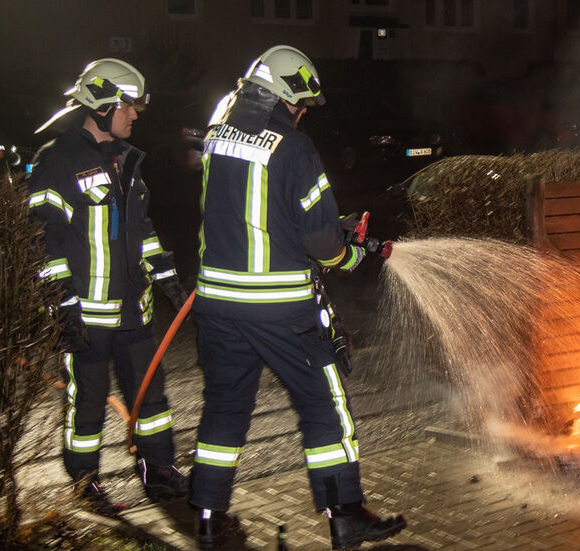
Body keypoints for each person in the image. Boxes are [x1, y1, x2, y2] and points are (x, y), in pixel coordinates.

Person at [189, 45, 406, 550]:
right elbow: (322, 243)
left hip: (217, 305)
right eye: (300, 102)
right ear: (282, 97)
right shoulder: (295, 148)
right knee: (324, 407)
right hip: (279, 308)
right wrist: (351, 254)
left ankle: (205, 514)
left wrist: (329, 233)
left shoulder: (217, 137)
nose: (303, 111)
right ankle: (346, 513)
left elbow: (251, 213)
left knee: (223, 409)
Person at [26, 58, 190, 516]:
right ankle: (84, 482)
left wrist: (166, 276)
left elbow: (143, 229)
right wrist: (63, 305)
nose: (134, 114)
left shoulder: (126, 161)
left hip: (133, 310)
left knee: (151, 396)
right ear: (100, 105)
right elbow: (45, 239)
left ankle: (158, 470)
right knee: (89, 403)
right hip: (88, 315)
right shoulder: (57, 161)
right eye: (128, 105)